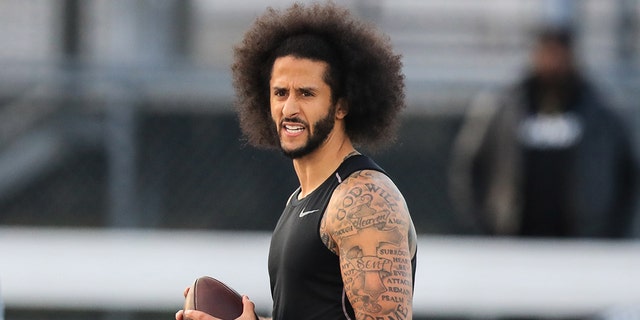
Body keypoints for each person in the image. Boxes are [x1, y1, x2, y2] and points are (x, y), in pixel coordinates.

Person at [176, 2, 417, 320]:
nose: (289, 109)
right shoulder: (300, 200)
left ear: (341, 106)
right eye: (280, 93)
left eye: (306, 93)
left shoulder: (363, 201)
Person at [449, 26, 639, 238]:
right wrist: (481, 225)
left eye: (560, 55)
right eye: (548, 53)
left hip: (582, 242)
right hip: (513, 238)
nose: (554, 63)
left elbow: (627, 174)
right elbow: (469, 166)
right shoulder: (504, 108)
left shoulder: (601, 113)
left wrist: (612, 230)